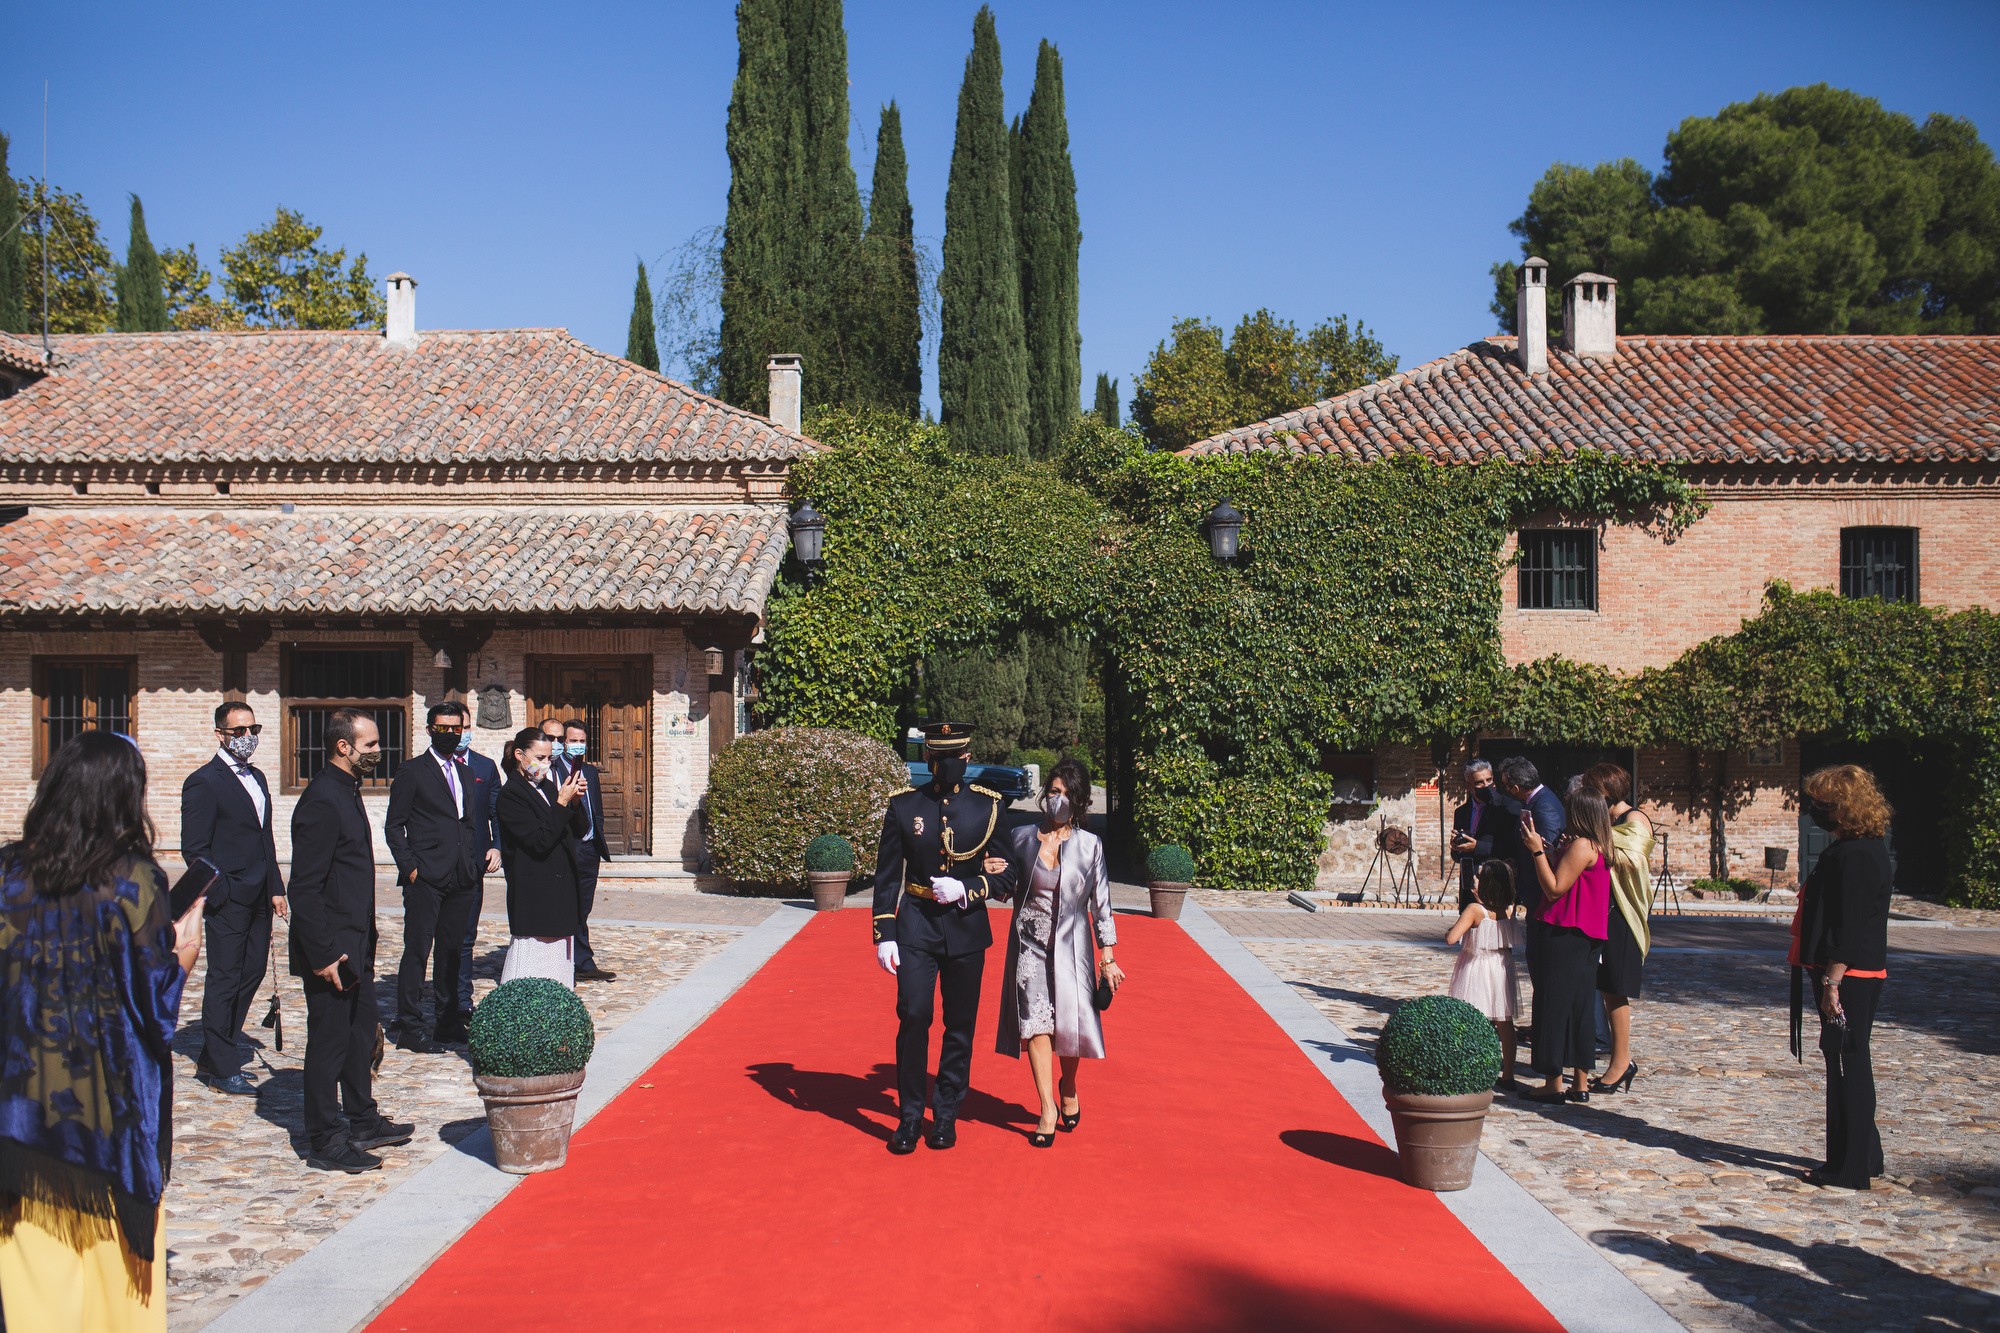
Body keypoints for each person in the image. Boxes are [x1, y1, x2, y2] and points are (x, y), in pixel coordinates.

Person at [0, 732, 204, 1331]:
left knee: (34, 1282)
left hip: (21, 1109)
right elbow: (154, 1006)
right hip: (111, 1111)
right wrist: (185, 952)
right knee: (117, 1287)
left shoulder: (9, 872)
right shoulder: (134, 880)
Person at [872, 721, 1016, 1155]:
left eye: (955, 758)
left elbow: (1007, 876)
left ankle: (947, 1113)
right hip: (916, 923)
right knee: (914, 1015)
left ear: (967, 758)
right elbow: (887, 875)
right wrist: (884, 932)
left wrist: (968, 889)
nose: (948, 765)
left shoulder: (988, 807)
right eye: (940, 758)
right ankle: (910, 1115)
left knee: (960, 1025)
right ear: (928, 758)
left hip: (966, 927)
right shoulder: (904, 805)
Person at [289, 709, 414, 1174]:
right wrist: (323, 953)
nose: (379, 751)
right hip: (332, 949)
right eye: (371, 745)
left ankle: (363, 1118)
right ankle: (324, 1138)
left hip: (357, 942)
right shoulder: (321, 799)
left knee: (361, 1035)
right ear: (344, 747)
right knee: (330, 1043)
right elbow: (305, 887)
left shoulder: (348, 789)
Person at [991, 758, 1124, 1147]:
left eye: (1066, 794)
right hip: (1028, 943)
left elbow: (1102, 905)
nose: (1057, 799)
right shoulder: (1020, 837)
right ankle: (1047, 1107)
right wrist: (993, 871)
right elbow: (1005, 890)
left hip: (1072, 947)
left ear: (1079, 801)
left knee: (1070, 1022)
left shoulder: (1090, 846)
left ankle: (1068, 1084)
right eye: (1053, 791)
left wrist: (1108, 957)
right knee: (1035, 1022)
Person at [1791, 764, 1894, 1190]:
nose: (1815, 809)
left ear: (1845, 807)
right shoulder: (1857, 849)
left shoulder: (1856, 855)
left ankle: (1850, 1168)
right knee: (1849, 1059)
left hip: (1850, 974)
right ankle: (1865, 1156)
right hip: (1849, 970)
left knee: (1848, 1063)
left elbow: (1849, 925)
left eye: (1823, 804)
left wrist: (1832, 983)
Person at [181, 702, 287, 1096]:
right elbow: (194, 849)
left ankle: (214, 1052)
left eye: (252, 729)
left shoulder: (257, 777)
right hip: (228, 897)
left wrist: (276, 886)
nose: (246, 737)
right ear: (220, 734)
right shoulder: (203, 782)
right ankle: (222, 1069)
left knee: (252, 972)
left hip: (259, 894)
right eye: (238, 730)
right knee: (224, 978)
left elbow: (264, 837)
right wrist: (220, 892)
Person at [383, 702, 495, 1051]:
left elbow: (469, 822)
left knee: (452, 951)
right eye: (443, 728)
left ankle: (447, 1021)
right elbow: (394, 826)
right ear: (430, 729)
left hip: (462, 876)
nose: (450, 734)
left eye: (456, 728)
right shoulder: (412, 771)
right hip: (426, 877)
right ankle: (410, 1025)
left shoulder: (465, 773)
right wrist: (411, 868)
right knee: (418, 950)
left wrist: (473, 863)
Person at [1518, 782, 1612, 1104]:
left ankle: (1553, 1082)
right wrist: (1552, 852)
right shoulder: (1599, 845)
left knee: (1552, 1005)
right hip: (1586, 936)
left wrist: (1536, 851)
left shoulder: (1581, 846)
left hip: (1563, 932)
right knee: (1580, 1007)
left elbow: (1554, 889)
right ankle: (1579, 1083)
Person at [1577, 762, 1654, 1094]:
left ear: (1606, 791)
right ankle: (1619, 1060)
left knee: (1615, 987)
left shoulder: (1634, 819)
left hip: (1623, 913)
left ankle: (1622, 1061)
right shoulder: (1606, 822)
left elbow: (1632, 859)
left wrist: (1592, 843)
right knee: (1606, 988)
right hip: (1601, 910)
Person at [495, 727, 589, 987]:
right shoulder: (511, 794)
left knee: (558, 960)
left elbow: (578, 830)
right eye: (539, 758)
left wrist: (574, 802)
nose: (546, 764)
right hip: (535, 889)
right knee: (534, 962)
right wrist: (561, 804)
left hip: (560, 885)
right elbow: (539, 841)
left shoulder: (547, 787)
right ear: (520, 755)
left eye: (549, 758)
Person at [1497, 756, 1566, 1041]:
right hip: (1534, 894)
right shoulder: (1536, 801)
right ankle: (1542, 1026)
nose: (1505, 790)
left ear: (1515, 786)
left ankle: (1548, 1031)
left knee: (1542, 967)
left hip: (1543, 897)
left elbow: (1548, 851)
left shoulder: (1544, 805)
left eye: (1506, 785)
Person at [551, 718, 616, 983]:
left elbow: (596, 808)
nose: (578, 745)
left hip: (590, 848)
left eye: (582, 741)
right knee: (567, 905)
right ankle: (572, 961)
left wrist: (596, 835)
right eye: (573, 741)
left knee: (583, 907)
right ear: (564, 742)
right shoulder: (553, 770)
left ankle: (581, 961)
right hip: (568, 848)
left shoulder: (589, 771)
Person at [1447, 859, 1521, 1088]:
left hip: (1477, 966)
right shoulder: (1509, 908)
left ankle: (1470, 1069)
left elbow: (1451, 938)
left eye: (1479, 876)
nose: (1474, 878)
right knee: (1504, 1022)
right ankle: (1508, 1074)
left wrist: (1453, 928)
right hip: (1501, 965)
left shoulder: (1475, 910)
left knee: (1472, 1018)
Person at [453, 728, 504, 1020]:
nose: (459, 734)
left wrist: (497, 847)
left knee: (466, 936)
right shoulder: (422, 768)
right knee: (425, 938)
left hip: (474, 862)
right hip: (437, 864)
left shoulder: (485, 766)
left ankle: (462, 999)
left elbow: (496, 812)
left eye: (464, 727)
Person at [1450, 759, 1509, 910]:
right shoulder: (1461, 812)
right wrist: (1456, 847)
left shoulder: (1506, 808)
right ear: (1469, 786)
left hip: (1495, 882)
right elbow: (1457, 856)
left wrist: (1477, 847)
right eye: (1479, 783)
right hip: (1469, 882)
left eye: (1489, 780)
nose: (1486, 786)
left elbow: (1509, 848)